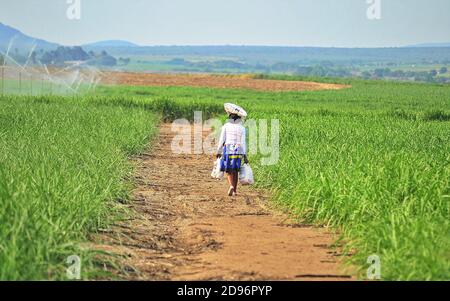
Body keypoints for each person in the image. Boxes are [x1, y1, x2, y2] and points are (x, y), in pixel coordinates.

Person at [216, 107, 248, 197]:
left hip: (228, 148)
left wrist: (218, 151)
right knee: (236, 170)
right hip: (238, 149)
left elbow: (222, 140)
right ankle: (235, 190)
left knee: (228, 169)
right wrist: (244, 155)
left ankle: (231, 186)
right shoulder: (242, 128)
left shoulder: (226, 126)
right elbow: (243, 143)